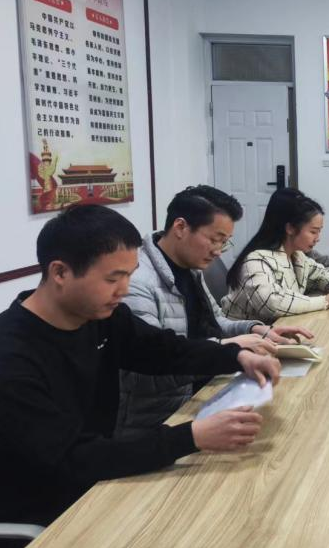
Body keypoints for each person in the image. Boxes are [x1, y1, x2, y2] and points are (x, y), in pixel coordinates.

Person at [0, 206, 279, 548]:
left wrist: (236, 356)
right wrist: (190, 437)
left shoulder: (97, 316)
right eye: (113, 278)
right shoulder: (11, 358)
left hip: (98, 479)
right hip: (48, 514)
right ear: (60, 272)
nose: (124, 290)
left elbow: (160, 350)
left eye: (129, 275)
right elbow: (71, 459)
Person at [119, 185, 316, 435]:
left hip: (209, 394)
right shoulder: (137, 282)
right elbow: (146, 371)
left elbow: (216, 321)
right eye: (214, 239)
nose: (218, 251)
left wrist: (256, 330)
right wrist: (228, 349)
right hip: (163, 420)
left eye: (224, 242)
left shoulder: (190, 267)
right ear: (180, 227)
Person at [223, 188, 329, 322]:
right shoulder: (256, 260)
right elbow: (272, 303)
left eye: (319, 231)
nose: (318, 238)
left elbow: (320, 274)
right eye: (313, 232)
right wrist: (326, 301)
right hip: (244, 332)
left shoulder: (297, 256)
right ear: (290, 228)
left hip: (274, 327)